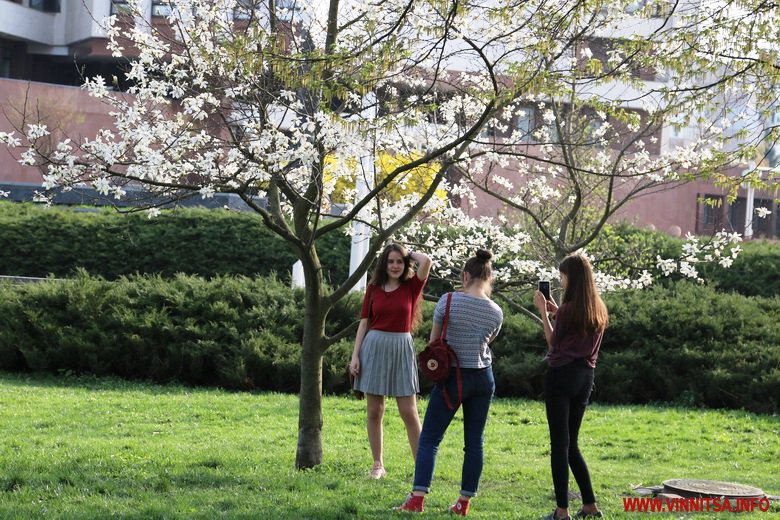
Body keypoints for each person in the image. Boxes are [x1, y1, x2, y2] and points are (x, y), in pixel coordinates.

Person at [396, 249, 503, 516]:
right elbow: (486, 343)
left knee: (430, 438)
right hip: (482, 378)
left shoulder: (448, 300)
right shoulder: (496, 312)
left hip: (452, 378)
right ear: (488, 278)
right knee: (474, 441)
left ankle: (417, 498)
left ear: (465, 275)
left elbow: (434, 344)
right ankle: (463, 503)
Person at [533, 254, 608, 520]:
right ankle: (590, 505)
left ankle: (561, 511)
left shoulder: (568, 310)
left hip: (561, 376)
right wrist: (556, 311)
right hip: (585, 378)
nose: (560, 281)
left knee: (559, 445)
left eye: (562, 276)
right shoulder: (598, 308)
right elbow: (574, 331)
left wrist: (544, 312)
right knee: (572, 443)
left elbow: (553, 341)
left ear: (571, 277)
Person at [350, 243, 432, 479]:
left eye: (399, 261)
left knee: (409, 411)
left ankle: (421, 467)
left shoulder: (412, 287)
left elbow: (426, 262)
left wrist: (408, 251)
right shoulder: (373, 288)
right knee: (375, 410)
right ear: (384, 264)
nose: (395, 265)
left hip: (401, 348)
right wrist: (355, 356)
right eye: (390, 261)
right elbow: (364, 323)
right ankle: (377, 464)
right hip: (373, 348)